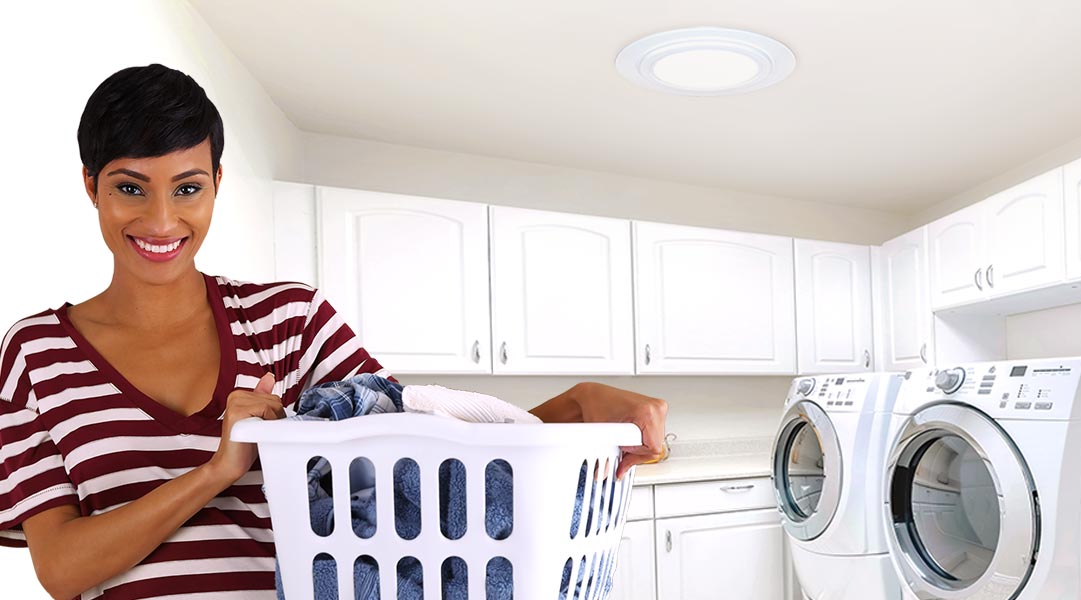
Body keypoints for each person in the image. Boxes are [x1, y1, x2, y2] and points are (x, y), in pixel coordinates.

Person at [0, 64, 670, 599]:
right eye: (130, 188)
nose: (161, 219)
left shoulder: (290, 321)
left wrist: (575, 409)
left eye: (187, 188)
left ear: (217, 184)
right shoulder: (36, 353)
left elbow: (433, 473)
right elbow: (60, 569)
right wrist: (217, 471)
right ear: (90, 186)